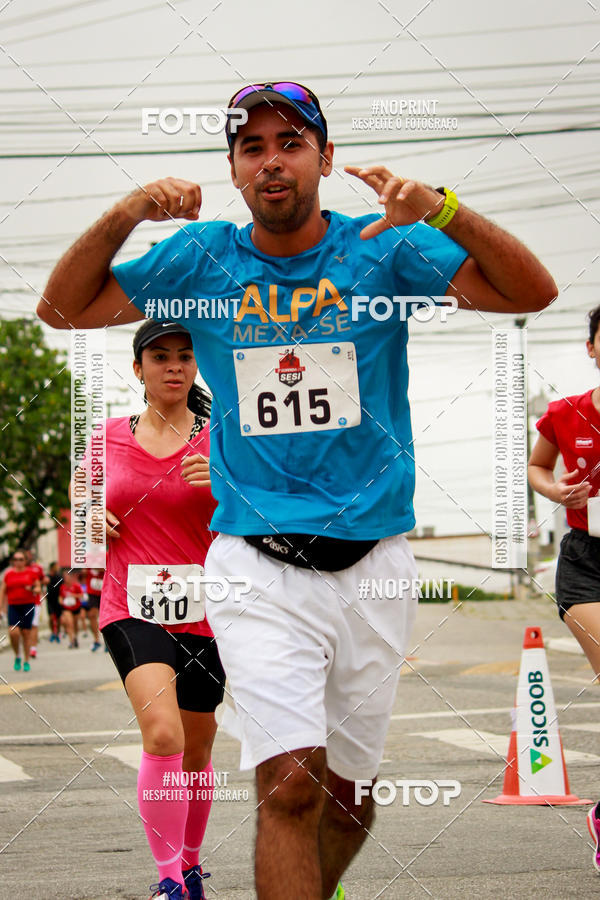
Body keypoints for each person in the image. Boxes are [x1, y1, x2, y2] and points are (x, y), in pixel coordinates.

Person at [39, 81, 556, 900]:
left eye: (290, 143)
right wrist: (129, 211)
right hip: (257, 563)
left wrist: (445, 210)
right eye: (252, 148)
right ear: (234, 170)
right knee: (288, 785)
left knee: (346, 804)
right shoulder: (201, 258)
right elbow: (62, 310)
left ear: (325, 156)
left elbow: (533, 292)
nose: (271, 161)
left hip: (376, 565)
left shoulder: (383, 246)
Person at [79, 320, 224, 900]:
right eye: (159, 356)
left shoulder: (225, 440)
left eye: (185, 357)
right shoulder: (102, 439)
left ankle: (189, 864)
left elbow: (270, 519)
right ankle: (168, 883)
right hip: (130, 604)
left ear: (195, 368)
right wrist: (87, 523)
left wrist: (231, 486)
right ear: (137, 368)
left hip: (209, 609)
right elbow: (81, 523)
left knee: (197, 747)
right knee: (163, 735)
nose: (173, 366)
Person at [528, 303, 600, 873]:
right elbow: (538, 467)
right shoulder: (567, 412)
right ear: (592, 348)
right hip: (586, 563)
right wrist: (554, 493)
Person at [0, 549, 41, 672]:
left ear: (25, 561)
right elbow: (3, 591)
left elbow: (38, 588)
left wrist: (33, 588)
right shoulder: (8, 574)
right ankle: (17, 655)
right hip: (13, 606)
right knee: (13, 632)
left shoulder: (31, 573)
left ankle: (26, 660)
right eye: (15, 559)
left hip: (28, 605)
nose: (18, 562)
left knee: (26, 633)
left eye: (21, 559)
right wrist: (1, 608)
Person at [26, 549, 46, 659]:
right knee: (24, 627)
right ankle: (26, 647)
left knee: (34, 625)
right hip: (19, 603)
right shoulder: (16, 570)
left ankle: (33, 648)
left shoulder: (37, 568)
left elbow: (43, 579)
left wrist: (43, 582)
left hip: (35, 601)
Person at [59, 568, 84, 647]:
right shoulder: (62, 587)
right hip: (66, 608)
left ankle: (75, 637)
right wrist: (61, 601)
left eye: (67, 576)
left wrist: (73, 595)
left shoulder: (76, 586)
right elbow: (60, 596)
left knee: (75, 624)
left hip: (76, 607)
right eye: (64, 577)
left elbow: (82, 596)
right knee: (69, 623)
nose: (66, 578)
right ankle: (71, 641)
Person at [85, 568, 104, 651]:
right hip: (92, 592)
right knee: (92, 615)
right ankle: (96, 640)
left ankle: (107, 640)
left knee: (104, 616)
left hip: (105, 590)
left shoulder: (106, 556)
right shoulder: (88, 557)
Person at [46, 562, 63, 642]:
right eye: (56, 566)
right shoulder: (47, 577)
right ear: (52, 567)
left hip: (58, 599)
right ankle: (53, 632)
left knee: (59, 618)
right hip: (50, 599)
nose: (58, 568)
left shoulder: (59, 577)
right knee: (51, 617)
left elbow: (62, 587)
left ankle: (58, 633)